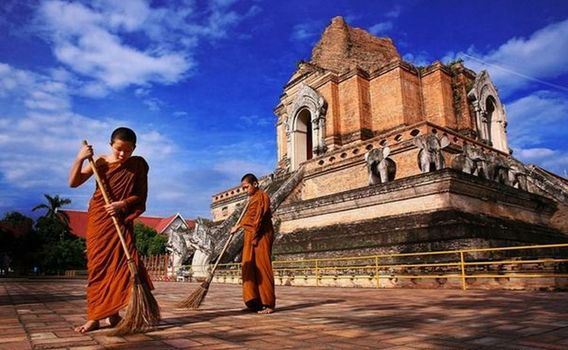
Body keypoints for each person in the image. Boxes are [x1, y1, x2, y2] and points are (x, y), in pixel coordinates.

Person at [69, 127, 153, 333]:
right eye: (119, 150)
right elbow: (73, 182)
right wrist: (80, 159)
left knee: (123, 265)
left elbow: (140, 196)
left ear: (134, 148)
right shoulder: (99, 162)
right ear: (110, 145)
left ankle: (113, 313)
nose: (123, 154)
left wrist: (122, 204)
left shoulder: (138, 165)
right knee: (98, 267)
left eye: (128, 150)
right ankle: (94, 317)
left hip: (120, 219)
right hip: (99, 219)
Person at [230, 173, 276, 314]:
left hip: (262, 235)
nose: (246, 190)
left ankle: (268, 304)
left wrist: (239, 225)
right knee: (248, 266)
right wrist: (242, 224)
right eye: (244, 188)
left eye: (247, 187)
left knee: (263, 267)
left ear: (255, 184)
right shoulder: (251, 200)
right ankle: (253, 302)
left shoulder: (262, 197)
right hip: (250, 235)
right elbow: (250, 216)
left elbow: (258, 217)